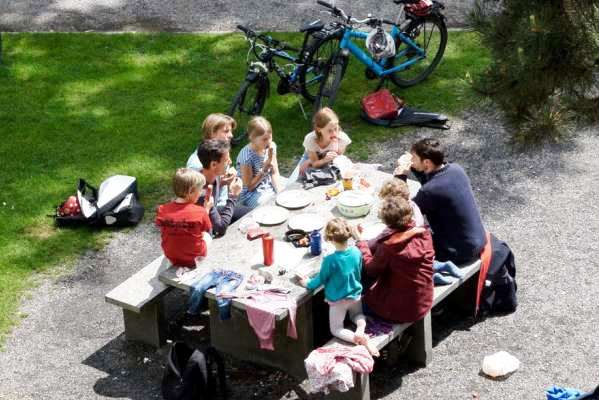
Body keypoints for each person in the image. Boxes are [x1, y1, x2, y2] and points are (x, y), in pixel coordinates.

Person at [393, 138, 486, 265]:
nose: (411, 161)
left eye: (413, 158)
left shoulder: (429, 191)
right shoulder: (456, 169)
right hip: (477, 240)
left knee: (401, 240)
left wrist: (400, 175)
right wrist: (414, 167)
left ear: (426, 162)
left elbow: (402, 211)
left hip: (458, 252)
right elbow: (431, 179)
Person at [298, 218, 379, 357]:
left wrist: (307, 283)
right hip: (355, 294)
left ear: (330, 238)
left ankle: (357, 339)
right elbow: (358, 269)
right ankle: (361, 328)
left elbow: (321, 279)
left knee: (336, 329)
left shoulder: (330, 260)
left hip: (338, 300)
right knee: (357, 315)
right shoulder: (356, 251)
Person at [356, 197, 435, 323]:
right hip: (424, 300)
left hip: (402, 310)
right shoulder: (423, 232)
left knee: (357, 303)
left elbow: (371, 270)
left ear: (388, 224)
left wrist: (361, 242)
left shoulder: (388, 247)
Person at [156, 168, 214, 267]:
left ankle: (174, 259)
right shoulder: (200, 211)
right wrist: (206, 210)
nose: (201, 193)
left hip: (171, 257)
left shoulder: (162, 210)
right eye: (199, 190)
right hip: (194, 259)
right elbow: (207, 228)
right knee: (207, 236)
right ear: (191, 191)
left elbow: (162, 227)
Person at [197, 139, 250, 237]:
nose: (230, 162)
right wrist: (233, 196)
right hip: (203, 233)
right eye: (226, 160)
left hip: (213, 210)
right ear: (213, 164)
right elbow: (220, 228)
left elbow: (214, 185)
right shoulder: (202, 194)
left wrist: (223, 182)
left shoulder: (209, 173)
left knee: (250, 214)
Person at [187, 113, 237, 207]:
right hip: (212, 210)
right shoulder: (197, 164)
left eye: (231, 131)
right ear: (212, 133)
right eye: (226, 131)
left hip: (223, 203)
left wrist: (224, 182)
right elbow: (197, 199)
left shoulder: (221, 152)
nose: (231, 135)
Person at [236, 116, 282, 208]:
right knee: (269, 208)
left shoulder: (271, 147)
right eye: (264, 139)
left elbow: (274, 172)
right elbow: (249, 186)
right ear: (252, 138)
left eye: (270, 137)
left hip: (268, 185)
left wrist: (279, 191)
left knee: (285, 199)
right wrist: (264, 169)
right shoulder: (246, 156)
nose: (269, 142)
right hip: (250, 194)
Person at [298, 107, 352, 175]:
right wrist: (311, 161)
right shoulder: (310, 139)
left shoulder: (342, 138)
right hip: (310, 157)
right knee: (301, 174)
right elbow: (315, 164)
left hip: (328, 159)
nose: (334, 133)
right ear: (319, 129)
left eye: (336, 128)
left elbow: (337, 158)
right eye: (329, 131)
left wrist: (335, 149)